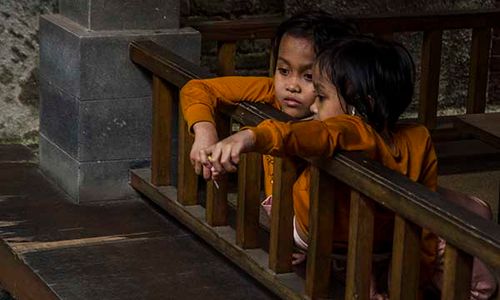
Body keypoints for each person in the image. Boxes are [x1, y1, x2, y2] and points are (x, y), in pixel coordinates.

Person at [200, 36, 437, 298]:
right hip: (365, 238)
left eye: (322, 97)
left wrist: (250, 137)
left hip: (332, 234)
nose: (313, 105)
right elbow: (427, 220)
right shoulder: (419, 136)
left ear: (363, 104)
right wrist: (412, 284)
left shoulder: (353, 127)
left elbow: (317, 132)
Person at [180, 11, 357, 199]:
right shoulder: (270, 91)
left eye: (309, 77)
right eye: (284, 70)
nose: (292, 86)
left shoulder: (343, 120)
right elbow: (197, 88)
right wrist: (205, 131)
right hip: (279, 216)